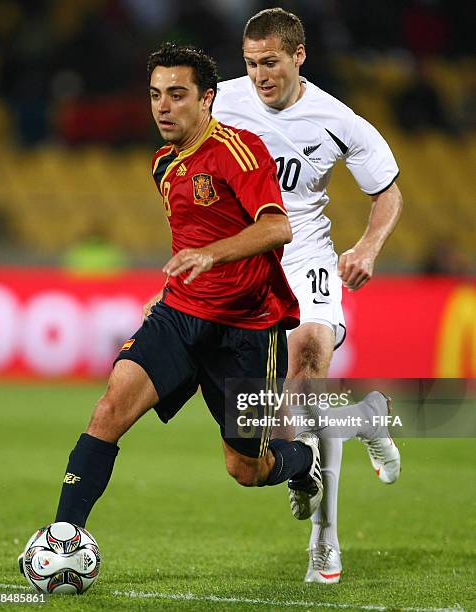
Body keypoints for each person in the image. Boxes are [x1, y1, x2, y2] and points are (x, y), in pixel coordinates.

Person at [19, 42, 324, 575]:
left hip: (248, 330)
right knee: (109, 409)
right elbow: (192, 233)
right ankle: (64, 535)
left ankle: (302, 461)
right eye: (156, 95)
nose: (163, 106)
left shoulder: (240, 151)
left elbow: (278, 227)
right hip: (181, 317)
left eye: (177, 94)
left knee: (247, 469)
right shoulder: (163, 164)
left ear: (207, 98)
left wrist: (212, 254)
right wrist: (173, 287)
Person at [212, 8, 403, 584]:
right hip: (245, 262)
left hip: (304, 258)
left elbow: (388, 192)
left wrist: (367, 249)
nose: (259, 75)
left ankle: (326, 538)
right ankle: (366, 417)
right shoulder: (220, 101)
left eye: (270, 62)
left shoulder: (338, 119)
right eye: (250, 63)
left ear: (298, 56)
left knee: (308, 365)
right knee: (277, 413)